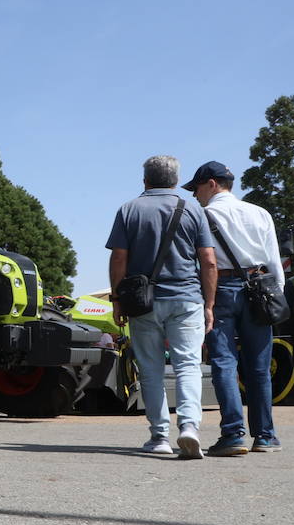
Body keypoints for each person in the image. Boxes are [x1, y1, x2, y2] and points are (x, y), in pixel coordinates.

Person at [107, 155, 217, 459]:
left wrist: (117, 300)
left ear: (145, 180)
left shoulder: (129, 209)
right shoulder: (192, 208)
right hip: (186, 299)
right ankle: (189, 427)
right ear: (175, 181)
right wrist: (209, 304)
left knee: (151, 370)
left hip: (143, 302)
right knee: (187, 366)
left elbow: (119, 259)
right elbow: (208, 259)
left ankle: (159, 437)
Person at [184, 161, 284, 455]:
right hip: (260, 287)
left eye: (197, 188)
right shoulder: (259, 213)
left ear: (212, 184)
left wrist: (203, 301)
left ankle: (232, 434)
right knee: (259, 367)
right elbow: (274, 260)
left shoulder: (204, 216)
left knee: (224, 363)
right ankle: (265, 436)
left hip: (221, 289)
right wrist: (276, 298)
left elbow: (200, 261)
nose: (195, 195)